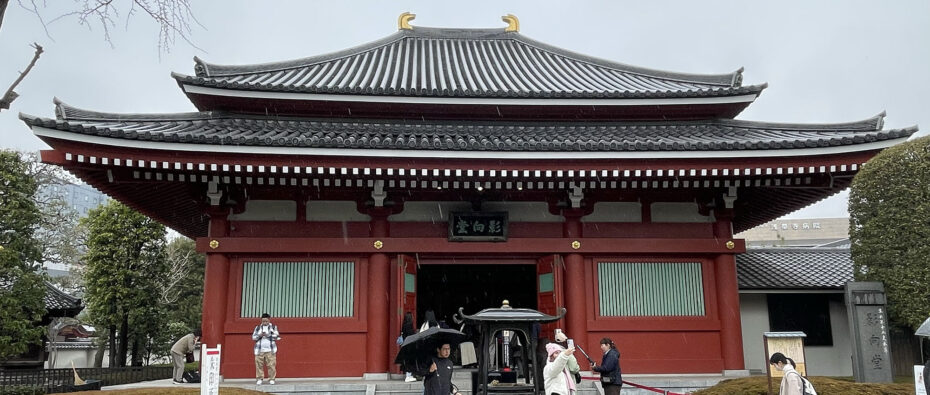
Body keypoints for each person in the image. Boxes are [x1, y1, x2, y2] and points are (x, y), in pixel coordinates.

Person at [252, 313, 280, 385]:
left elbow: (277, 337)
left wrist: (268, 335)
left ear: (269, 320)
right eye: (263, 321)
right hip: (259, 349)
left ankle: (271, 378)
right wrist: (260, 335)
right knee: (259, 365)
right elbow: (253, 337)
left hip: (270, 349)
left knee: (271, 365)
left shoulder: (273, 327)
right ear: (261, 320)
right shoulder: (257, 328)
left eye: (266, 321)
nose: (265, 323)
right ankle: (259, 378)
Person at [401, 312, 417, 382]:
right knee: (410, 361)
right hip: (410, 345)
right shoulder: (409, 325)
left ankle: (408, 375)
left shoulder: (403, 325)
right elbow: (411, 335)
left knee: (407, 360)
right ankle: (408, 376)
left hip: (405, 345)